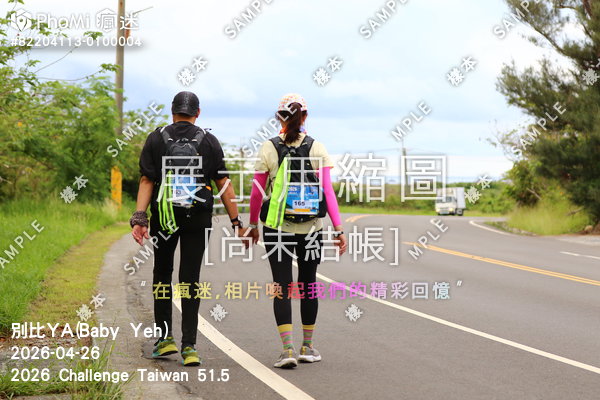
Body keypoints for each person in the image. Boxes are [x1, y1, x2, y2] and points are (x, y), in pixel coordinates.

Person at [130, 91, 248, 366]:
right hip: (198, 217)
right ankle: (189, 347)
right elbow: (223, 184)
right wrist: (236, 223)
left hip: (165, 216)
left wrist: (140, 218)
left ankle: (164, 339)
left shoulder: (156, 138)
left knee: (162, 274)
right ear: (198, 113)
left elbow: (147, 180)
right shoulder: (208, 140)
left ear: (172, 111)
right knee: (190, 278)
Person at [248, 93, 347, 368]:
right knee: (308, 285)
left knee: (281, 286)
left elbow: (256, 193)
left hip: (276, 227)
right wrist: (338, 229)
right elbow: (327, 192)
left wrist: (253, 225)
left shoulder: (268, 148)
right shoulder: (317, 148)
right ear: (306, 116)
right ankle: (308, 346)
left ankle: (287, 349)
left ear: (278, 117)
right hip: (312, 228)